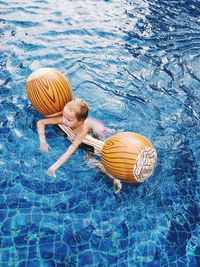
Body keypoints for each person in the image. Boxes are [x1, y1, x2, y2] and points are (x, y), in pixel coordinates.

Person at [37, 98, 122, 194]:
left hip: (98, 132)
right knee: (89, 160)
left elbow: (71, 150)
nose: (64, 120)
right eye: (64, 116)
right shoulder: (66, 118)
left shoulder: (82, 129)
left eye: (68, 120)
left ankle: (114, 177)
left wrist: (54, 167)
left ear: (80, 121)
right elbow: (41, 122)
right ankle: (113, 177)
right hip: (86, 130)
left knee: (91, 159)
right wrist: (43, 141)